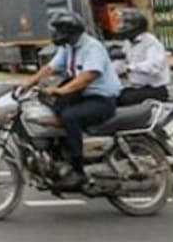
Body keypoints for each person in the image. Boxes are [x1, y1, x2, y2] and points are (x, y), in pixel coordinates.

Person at [19, 11, 122, 190]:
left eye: (58, 31)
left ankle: (78, 170)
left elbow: (88, 76)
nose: (54, 35)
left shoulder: (92, 47)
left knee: (70, 117)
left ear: (69, 31)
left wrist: (61, 90)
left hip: (102, 98)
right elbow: (50, 67)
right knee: (48, 108)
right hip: (82, 95)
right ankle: (60, 153)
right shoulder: (68, 47)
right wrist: (28, 84)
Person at [116, 8, 170, 105]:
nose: (121, 26)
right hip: (137, 88)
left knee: (121, 100)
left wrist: (130, 68)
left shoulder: (151, 42)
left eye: (126, 23)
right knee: (111, 95)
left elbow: (154, 65)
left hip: (155, 90)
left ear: (136, 25)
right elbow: (123, 61)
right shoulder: (128, 43)